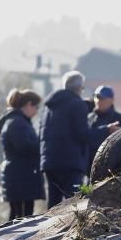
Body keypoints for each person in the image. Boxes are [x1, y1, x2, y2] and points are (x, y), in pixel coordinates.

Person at [40, 70, 90, 208]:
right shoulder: (77, 104)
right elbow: (82, 134)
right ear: (79, 88)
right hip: (70, 162)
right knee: (75, 204)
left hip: (49, 162)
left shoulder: (49, 106)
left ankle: (48, 229)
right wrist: (104, 130)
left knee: (53, 203)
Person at [0, 88, 44, 220]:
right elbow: (23, 146)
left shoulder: (16, 121)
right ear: (29, 104)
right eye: (36, 106)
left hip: (18, 174)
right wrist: (42, 145)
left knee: (17, 216)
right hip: (21, 175)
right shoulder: (18, 123)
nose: (36, 111)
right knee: (22, 218)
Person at [87, 85, 121, 171]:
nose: (98, 101)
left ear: (111, 100)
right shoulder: (89, 118)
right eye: (96, 97)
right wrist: (107, 130)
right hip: (90, 167)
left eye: (102, 98)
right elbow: (84, 136)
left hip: (113, 168)